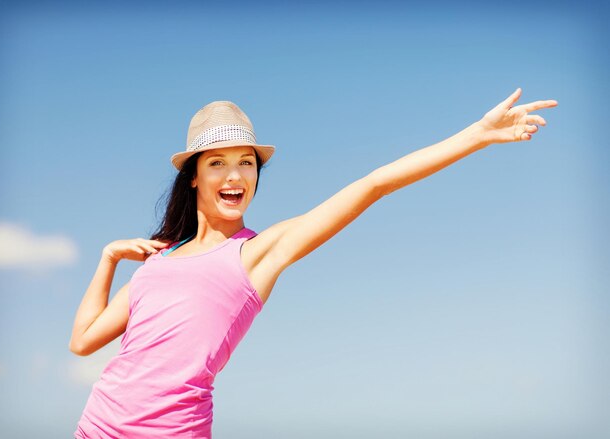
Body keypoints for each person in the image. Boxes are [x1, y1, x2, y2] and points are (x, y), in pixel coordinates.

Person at [69, 90, 558, 438]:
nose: (235, 174)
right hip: (97, 425)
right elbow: (83, 341)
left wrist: (475, 135)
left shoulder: (258, 252)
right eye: (216, 162)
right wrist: (108, 258)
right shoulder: (159, 261)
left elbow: (373, 185)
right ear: (193, 177)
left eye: (246, 161)